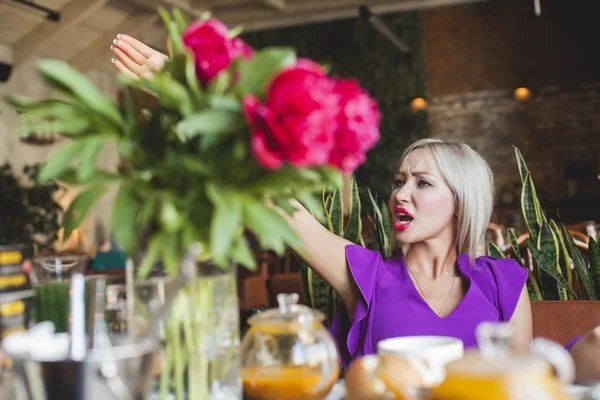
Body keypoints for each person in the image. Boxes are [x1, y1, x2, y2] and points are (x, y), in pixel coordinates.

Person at [110, 35, 599, 381]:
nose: (400, 194)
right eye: (398, 181)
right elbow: (274, 203)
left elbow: (518, 389)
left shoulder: (503, 282)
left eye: (422, 183)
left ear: (460, 201)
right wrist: (186, 97)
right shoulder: (366, 274)